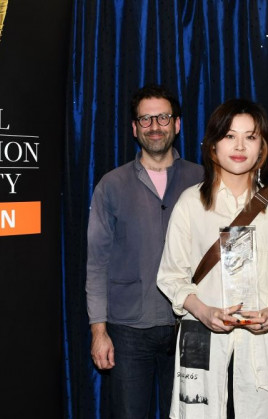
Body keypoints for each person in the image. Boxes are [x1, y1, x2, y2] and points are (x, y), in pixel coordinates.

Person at [157, 99, 268, 418]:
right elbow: (171, 276)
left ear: (262, 147)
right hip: (202, 341)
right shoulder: (191, 203)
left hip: (260, 350)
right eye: (229, 136)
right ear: (212, 146)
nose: (240, 145)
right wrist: (203, 310)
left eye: (250, 137)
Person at [85, 84, 203, 419]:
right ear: (135, 128)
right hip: (128, 331)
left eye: (163, 117)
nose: (155, 126)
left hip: (191, 327)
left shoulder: (202, 180)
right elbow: (97, 263)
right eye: (146, 119)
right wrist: (99, 331)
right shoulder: (112, 184)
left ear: (177, 124)